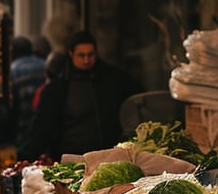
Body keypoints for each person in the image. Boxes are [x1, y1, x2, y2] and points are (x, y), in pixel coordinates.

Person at [19, 30, 143, 160]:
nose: (86, 60)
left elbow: (137, 101)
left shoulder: (114, 79)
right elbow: (42, 129)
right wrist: (24, 157)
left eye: (90, 55)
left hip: (109, 158)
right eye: (81, 55)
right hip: (73, 161)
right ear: (71, 53)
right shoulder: (58, 88)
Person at [9, 36, 46, 150]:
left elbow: (12, 102)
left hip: (23, 122)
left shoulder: (13, 70)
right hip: (44, 121)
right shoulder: (44, 64)